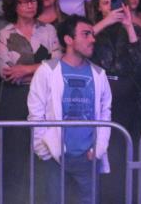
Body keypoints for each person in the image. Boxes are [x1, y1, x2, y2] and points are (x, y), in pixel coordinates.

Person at [28, 15, 112, 202]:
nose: (92, 39)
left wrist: (98, 149)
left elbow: (105, 113)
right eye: (86, 34)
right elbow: (36, 113)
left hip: (88, 157)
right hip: (56, 156)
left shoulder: (99, 74)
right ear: (68, 39)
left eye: (92, 34)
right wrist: (45, 151)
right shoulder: (47, 71)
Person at [87, 0, 141, 200]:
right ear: (98, 7)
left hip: (129, 104)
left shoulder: (134, 29)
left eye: (114, 1)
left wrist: (129, 27)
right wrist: (104, 23)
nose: (110, 7)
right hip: (100, 103)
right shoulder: (91, 30)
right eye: (105, 3)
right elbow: (78, 46)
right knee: (105, 154)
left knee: (127, 155)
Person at [0, 0, 61, 203]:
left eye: (32, 0)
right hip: (15, 98)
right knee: (15, 154)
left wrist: (25, 70)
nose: (29, 5)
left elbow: (57, 64)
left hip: (45, 97)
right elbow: (6, 73)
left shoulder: (48, 30)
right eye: (24, 2)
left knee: (44, 150)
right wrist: (42, 69)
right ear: (15, 6)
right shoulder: (5, 34)